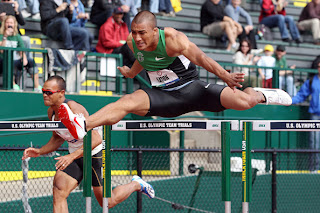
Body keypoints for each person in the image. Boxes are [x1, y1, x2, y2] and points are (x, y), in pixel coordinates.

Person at [56, 11, 292, 140]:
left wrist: (224, 75)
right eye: (134, 33)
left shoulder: (172, 38)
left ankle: (264, 94)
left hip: (193, 90)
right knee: (127, 101)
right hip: (164, 97)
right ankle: (81, 126)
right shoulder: (132, 42)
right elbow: (142, 60)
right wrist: (130, 73)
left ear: (155, 31)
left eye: (142, 33)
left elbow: (201, 58)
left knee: (244, 102)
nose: (137, 38)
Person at [21, 76, 155, 212]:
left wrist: (71, 156)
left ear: (61, 93)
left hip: (94, 154)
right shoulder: (52, 112)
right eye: (43, 91)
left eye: (48, 92)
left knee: (108, 202)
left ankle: (136, 184)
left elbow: (95, 139)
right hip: (75, 156)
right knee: (59, 190)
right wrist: (39, 151)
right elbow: (57, 138)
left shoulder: (74, 108)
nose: (44, 95)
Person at [291, 62, 320, 171]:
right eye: (319, 66)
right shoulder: (312, 81)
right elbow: (301, 96)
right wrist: (289, 100)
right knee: (314, 144)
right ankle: (314, 169)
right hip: (315, 116)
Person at [0, 15, 41, 91]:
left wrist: (24, 58)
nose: (9, 24)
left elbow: (21, 49)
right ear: (4, 24)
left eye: (11, 23)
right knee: (9, 61)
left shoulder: (17, 36)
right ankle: (13, 85)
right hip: (3, 59)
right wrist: (5, 36)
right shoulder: (1, 35)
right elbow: (1, 50)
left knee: (31, 61)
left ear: (14, 24)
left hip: (16, 59)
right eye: (7, 22)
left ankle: (36, 86)